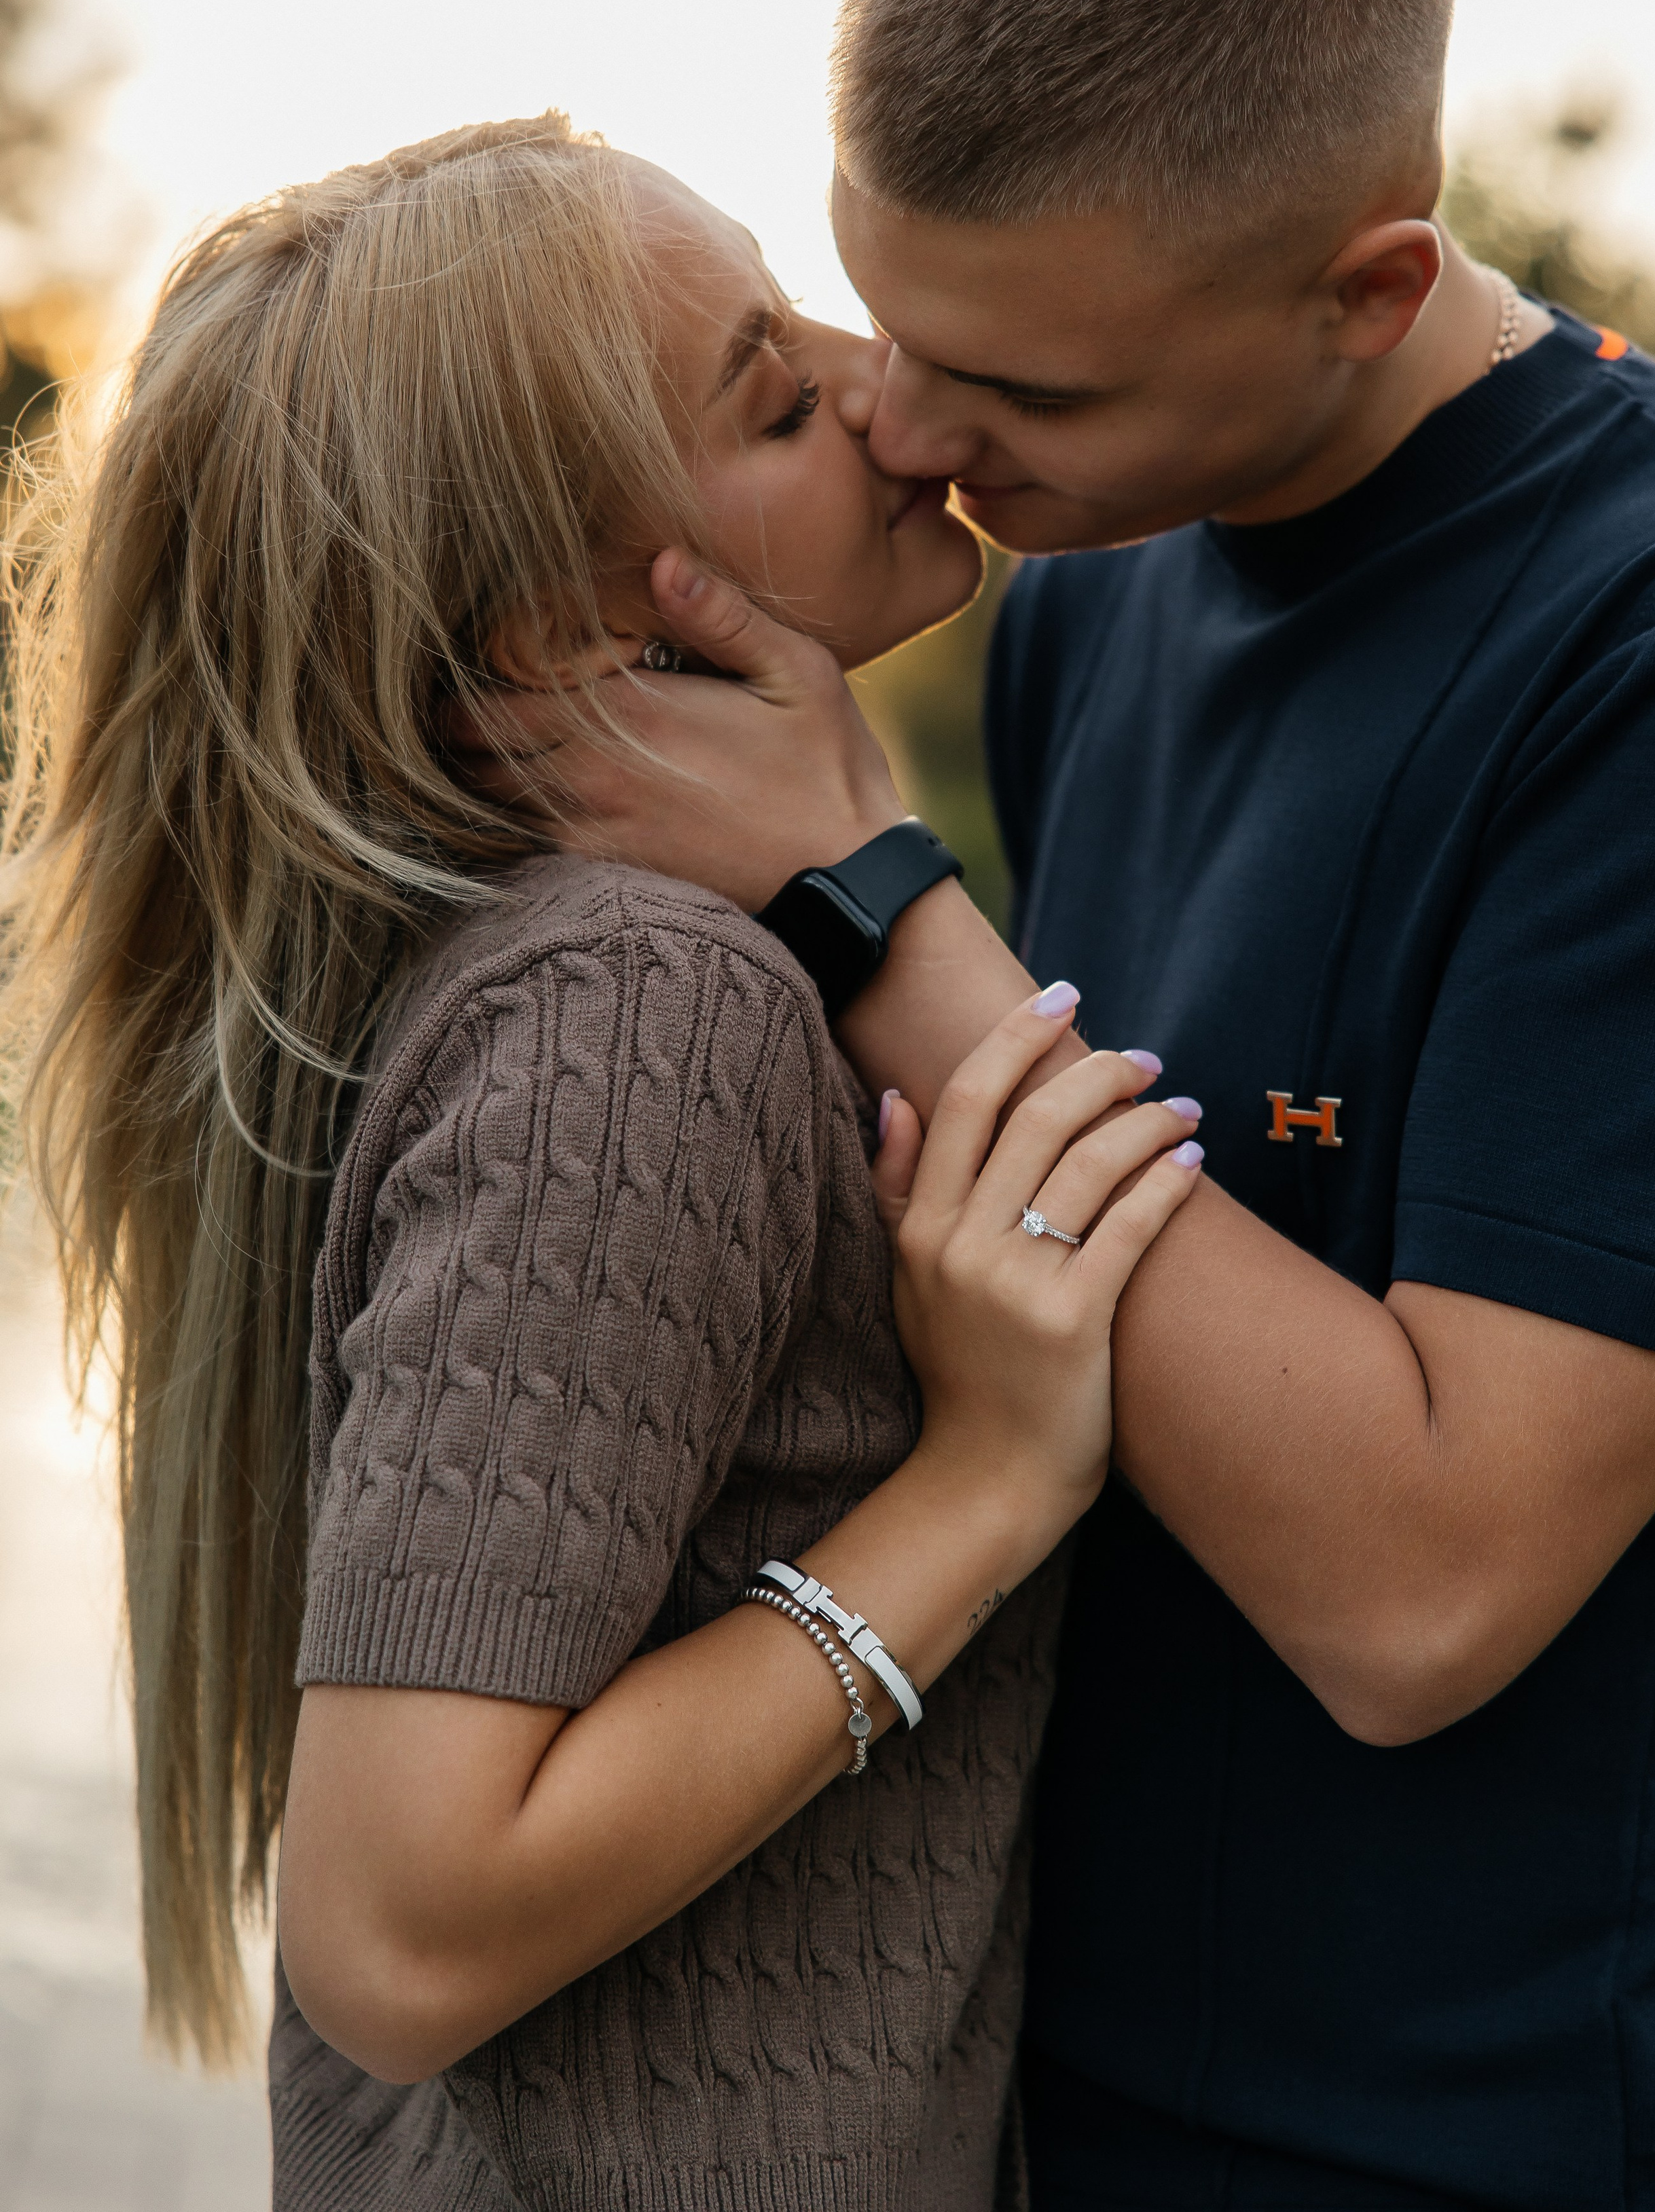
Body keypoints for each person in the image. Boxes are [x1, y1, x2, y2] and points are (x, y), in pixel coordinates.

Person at [473, 0, 1655, 2212]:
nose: (913, 433)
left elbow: (1423, 1588)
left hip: (1481, 2145)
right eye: (881, 317)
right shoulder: (1093, 570)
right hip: (1022, 2087)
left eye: (1025, 381)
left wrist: (870, 892)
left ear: (1367, 288)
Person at [0, 115, 1206, 2211]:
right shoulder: (643, 1010)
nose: (878, 383)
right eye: (770, 396)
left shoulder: (549, 968)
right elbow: (403, 1933)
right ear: (570, 643)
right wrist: (988, 1487)